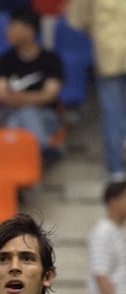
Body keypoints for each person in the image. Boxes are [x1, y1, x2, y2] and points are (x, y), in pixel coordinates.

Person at [0, 8, 64, 165]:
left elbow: (50, 95)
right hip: (10, 113)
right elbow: (2, 95)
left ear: (29, 30)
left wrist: (20, 98)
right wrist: (33, 98)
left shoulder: (51, 59)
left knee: (22, 117)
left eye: (13, 27)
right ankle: (43, 148)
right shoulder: (5, 60)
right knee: (17, 118)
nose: (8, 31)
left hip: (46, 116)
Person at [65, 0, 126, 182]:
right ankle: (116, 169)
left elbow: (79, 19)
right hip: (109, 55)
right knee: (112, 115)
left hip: (108, 50)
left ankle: (116, 170)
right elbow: (77, 17)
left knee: (112, 114)